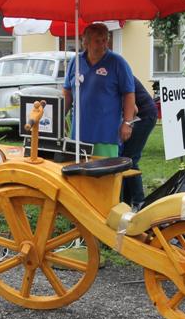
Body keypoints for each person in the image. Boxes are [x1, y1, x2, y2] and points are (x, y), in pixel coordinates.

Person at [63, 23, 136, 158]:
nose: (103, 44)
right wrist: (61, 117)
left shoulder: (117, 62)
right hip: (79, 133)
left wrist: (127, 123)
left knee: (105, 174)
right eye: (98, 41)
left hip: (106, 134)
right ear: (85, 42)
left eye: (105, 40)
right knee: (79, 174)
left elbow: (129, 94)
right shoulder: (75, 62)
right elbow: (67, 92)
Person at [120, 77, 158, 209]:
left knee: (129, 159)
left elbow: (134, 109)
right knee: (125, 159)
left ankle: (139, 202)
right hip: (140, 114)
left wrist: (126, 124)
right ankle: (126, 203)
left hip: (144, 115)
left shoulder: (118, 72)